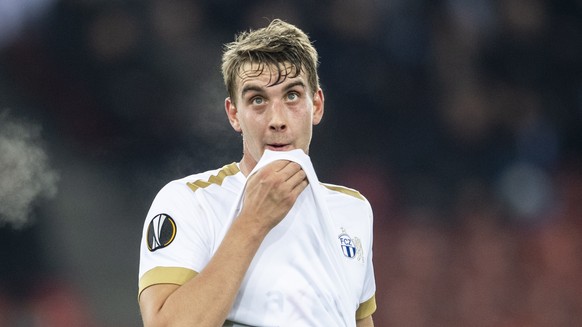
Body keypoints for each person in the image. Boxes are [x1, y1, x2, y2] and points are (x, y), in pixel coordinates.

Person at [138, 19, 376, 327]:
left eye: (291, 96)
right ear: (234, 114)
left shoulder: (353, 210)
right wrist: (252, 222)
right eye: (258, 100)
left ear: (316, 105)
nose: (277, 120)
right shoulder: (190, 202)